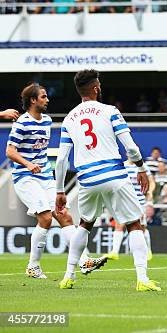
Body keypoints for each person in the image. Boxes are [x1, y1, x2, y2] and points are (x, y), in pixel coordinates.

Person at [55, 69, 160, 291]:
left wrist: (59, 191)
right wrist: (141, 168)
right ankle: (142, 279)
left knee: (84, 225)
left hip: (86, 179)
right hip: (114, 175)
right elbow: (130, 145)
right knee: (134, 224)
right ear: (95, 88)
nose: (100, 87)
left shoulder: (69, 118)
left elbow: (62, 159)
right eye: (99, 84)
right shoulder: (110, 111)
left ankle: (68, 276)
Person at [6, 83, 103, 279]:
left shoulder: (47, 121)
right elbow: (10, 151)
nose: (47, 99)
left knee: (64, 215)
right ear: (33, 100)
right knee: (46, 217)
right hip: (25, 177)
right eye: (43, 97)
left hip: (44, 176)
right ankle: (33, 266)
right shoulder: (22, 123)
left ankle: (84, 260)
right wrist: (28, 164)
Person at [104, 160, 156, 261]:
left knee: (141, 227)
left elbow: (151, 180)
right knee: (119, 224)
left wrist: (150, 191)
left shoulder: (142, 166)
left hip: (139, 200)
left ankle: (148, 250)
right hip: (125, 199)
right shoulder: (123, 165)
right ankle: (115, 252)